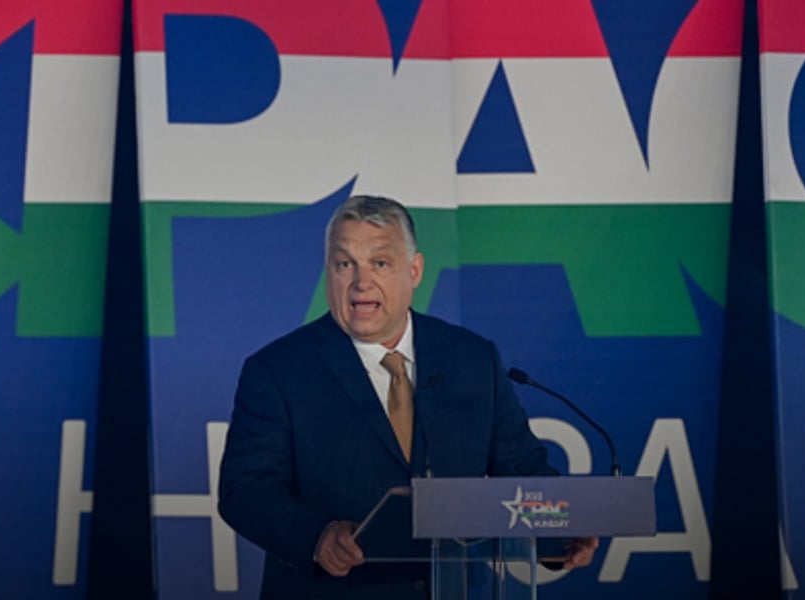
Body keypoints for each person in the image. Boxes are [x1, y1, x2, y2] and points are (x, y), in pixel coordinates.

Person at [218, 195, 597, 599]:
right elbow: (245, 490)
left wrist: (560, 533)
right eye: (345, 264)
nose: (361, 282)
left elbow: (521, 470)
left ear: (414, 271)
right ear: (328, 270)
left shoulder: (472, 359)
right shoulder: (278, 370)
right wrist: (319, 536)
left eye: (380, 263)